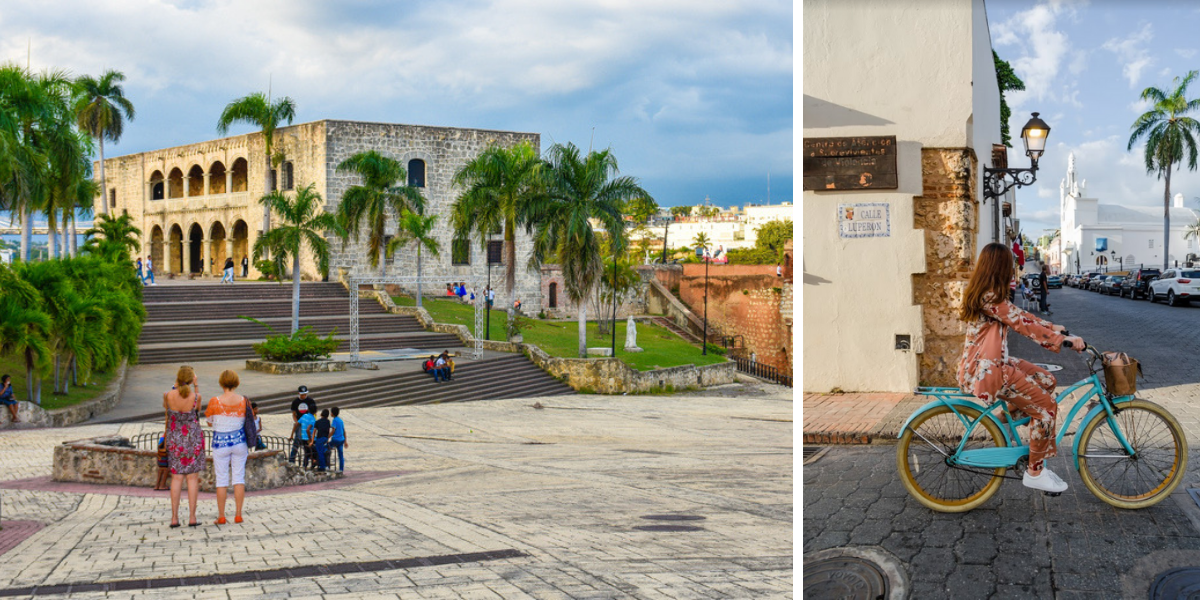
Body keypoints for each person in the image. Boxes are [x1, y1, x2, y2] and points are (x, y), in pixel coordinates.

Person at [957, 243, 1085, 494]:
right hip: (989, 370)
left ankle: (1000, 423)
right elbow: (1022, 325)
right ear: (1000, 267)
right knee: (1046, 409)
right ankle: (1035, 472)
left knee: (1046, 380)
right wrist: (1061, 340)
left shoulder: (990, 295)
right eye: (1011, 265)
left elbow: (1021, 316)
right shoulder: (989, 298)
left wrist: (1052, 327)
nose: (1013, 270)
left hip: (992, 363)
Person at [205, 369, 250, 524]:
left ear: (221, 382)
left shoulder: (215, 401)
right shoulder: (244, 401)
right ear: (236, 382)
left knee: (222, 479)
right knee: (239, 477)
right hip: (239, 441)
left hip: (220, 443)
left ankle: (221, 516)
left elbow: (209, 422)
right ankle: (238, 514)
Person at [163, 366, 204, 527]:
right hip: (192, 439)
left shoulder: (168, 395)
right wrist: (196, 385)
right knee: (192, 478)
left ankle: (174, 518)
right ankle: (192, 517)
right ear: (192, 379)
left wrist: (175, 385)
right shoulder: (196, 397)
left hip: (175, 440)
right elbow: (198, 412)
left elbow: (167, 413)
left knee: (176, 477)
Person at [289, 386, 317, 464]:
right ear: (299, 394)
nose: (304, 396)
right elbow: (294, 414)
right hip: (300, 423)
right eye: (302, 394)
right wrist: (296, 422)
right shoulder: (295, 402)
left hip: (308, 424)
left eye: (305, 394)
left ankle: (307, 461)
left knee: (307, 443)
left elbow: (314, 413)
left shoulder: (310, 401)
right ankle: (291, 460)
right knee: (297, 442)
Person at [296, 405, 316, 469]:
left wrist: (292, 434)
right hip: (310, 439)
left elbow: (296, 424)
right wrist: (310, 440)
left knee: (307, 453)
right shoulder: (313, 419)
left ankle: (305, 466)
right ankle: (312, 465)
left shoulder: (304, 416)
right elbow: (308, 430)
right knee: (314, 453)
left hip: (303, 438)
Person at [329, 407, 347, 473]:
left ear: (332, 413)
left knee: (326, 449)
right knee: (340, 455)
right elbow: (344, 431)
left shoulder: (335, 420)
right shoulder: (340, 420)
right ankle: (341, 469)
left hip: (335, 440)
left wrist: (328, 437)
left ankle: (326, 465)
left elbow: (333, 430)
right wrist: (345, 441)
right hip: (341, 440)